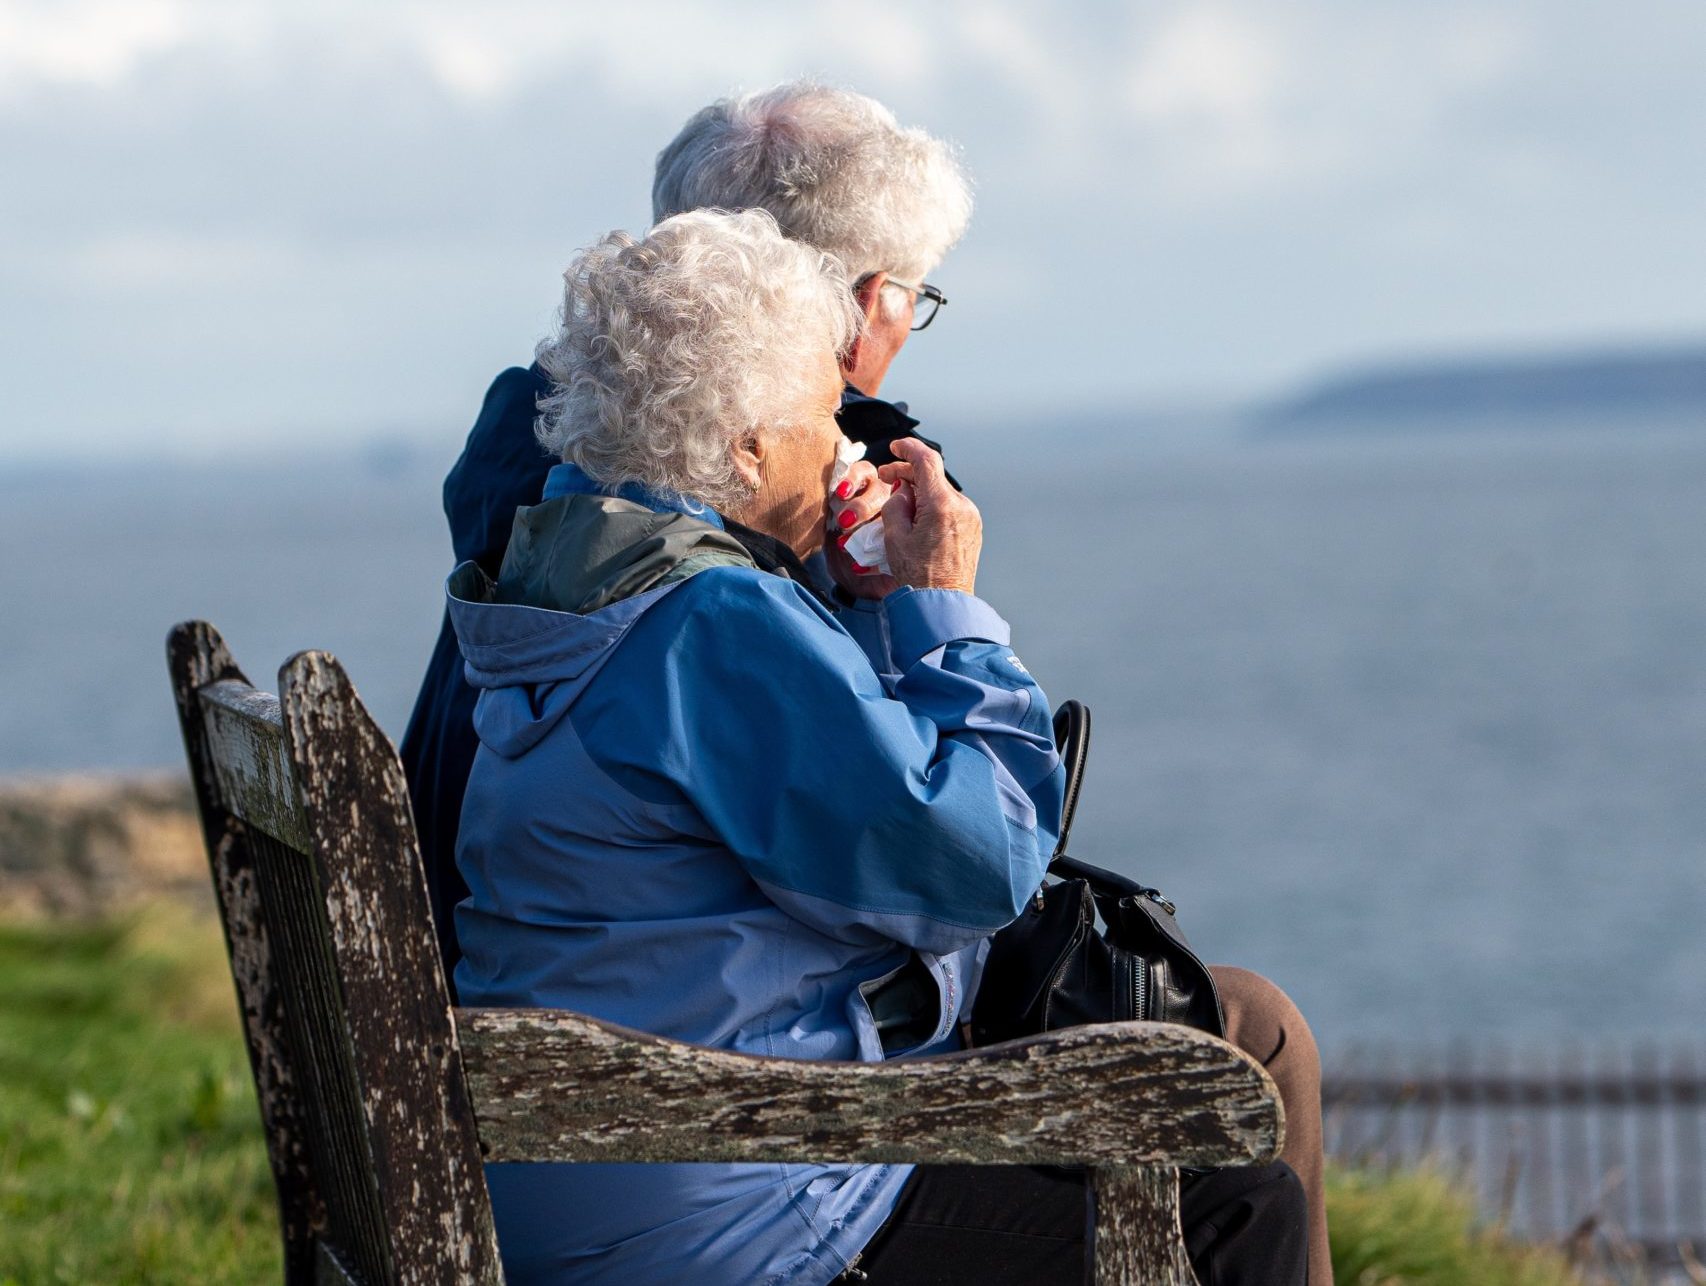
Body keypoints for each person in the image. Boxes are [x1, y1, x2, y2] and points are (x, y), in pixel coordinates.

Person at [407, 81, 1333, 1281]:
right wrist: (935, 605)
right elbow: (969, 870)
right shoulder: (707, 618)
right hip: (720, 1180)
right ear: (743, 442)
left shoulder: (559, 552)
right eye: (813, 415)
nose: (839, 429)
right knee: (1229, 1193)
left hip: (582, 1122)